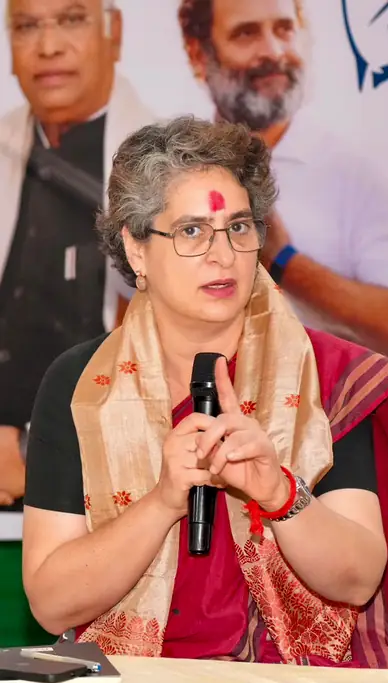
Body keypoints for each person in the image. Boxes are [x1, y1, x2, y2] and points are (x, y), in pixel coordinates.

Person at [23, 117, 388, 668]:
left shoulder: (323, 376)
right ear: (136, 250)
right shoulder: (83, 384)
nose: (223, 254)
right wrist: (162, 503)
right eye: (192, 231)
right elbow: (52, 605)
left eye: (239, 227)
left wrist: (279, 493)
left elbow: (357, 581)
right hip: (132, 672)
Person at [177, 0, 388, 374]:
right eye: (246, 33)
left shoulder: (353, 174)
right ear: (198, 53)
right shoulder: (171, 174)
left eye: (284, 29)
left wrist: (283, 261)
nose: (274, 51)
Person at [0, 0, 153, 507]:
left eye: (71, 20)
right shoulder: (5, 145)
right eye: (27, 26)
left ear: (115, 32)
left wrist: (38, 452)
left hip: (120, 477)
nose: (48, 47)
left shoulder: (173, 170)